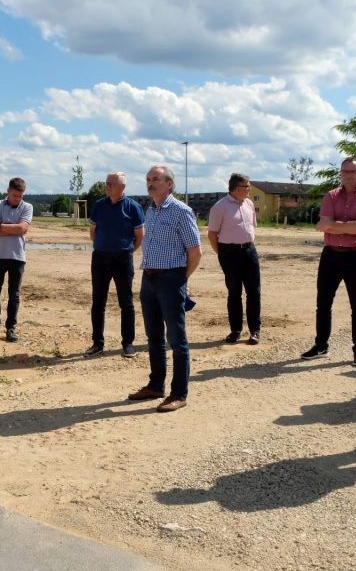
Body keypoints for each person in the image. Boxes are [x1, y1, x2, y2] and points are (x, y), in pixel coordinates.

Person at [127, 166, 202, 412]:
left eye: (156, 179)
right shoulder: (151, 210)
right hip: (148, 280)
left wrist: (180, 278)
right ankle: (155, 385)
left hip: (171, 279)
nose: (150, 183)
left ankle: (179, 393)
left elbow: (195, 252)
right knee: (154, 336)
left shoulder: (182, 211)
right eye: (148, 179)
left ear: (169, 184)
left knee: (177, 339)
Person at [301, 158, 356, 366]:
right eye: (344, 171)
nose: (348, 175)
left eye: (353, 171)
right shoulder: (331, 196)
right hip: (331, 255)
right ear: (340, 173)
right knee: (323, 303)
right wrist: (350, 227)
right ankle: (321, 345)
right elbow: (321, 226)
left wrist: (334, 226)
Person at [85, 172, 145, 358]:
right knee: (98, 302)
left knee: (126, 303)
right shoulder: (99, 205)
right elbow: (93, 231)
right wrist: (102, 246)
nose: (107, 186)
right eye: (107, 183)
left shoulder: (133, 207)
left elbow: (139, 236)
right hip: (100, 258)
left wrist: (126, 250)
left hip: (122, 259)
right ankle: (97, 343)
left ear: (122, 187)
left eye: (111, 183)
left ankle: (128, 343)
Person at [206, 173, 261, 345]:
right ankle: (235, 330)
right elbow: (212, 234)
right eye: (247, 186)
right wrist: (221, 253)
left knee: (254, 292)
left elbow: (252, 226)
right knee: (234, 292)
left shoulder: (249, 204)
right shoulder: (220, 207)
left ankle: (254, 331)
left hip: (249, 250)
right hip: (229, 253)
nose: (249, 189)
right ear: (237, 188)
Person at [0, 177, 33, 342]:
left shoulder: (27, 207)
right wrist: (14, 228)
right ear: (8, 191)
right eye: (14, 195)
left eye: (20, 196)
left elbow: (23, 228)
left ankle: (10, 328)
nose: (17, 199)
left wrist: (2, 226)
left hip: (17, 257)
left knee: (14, 295)